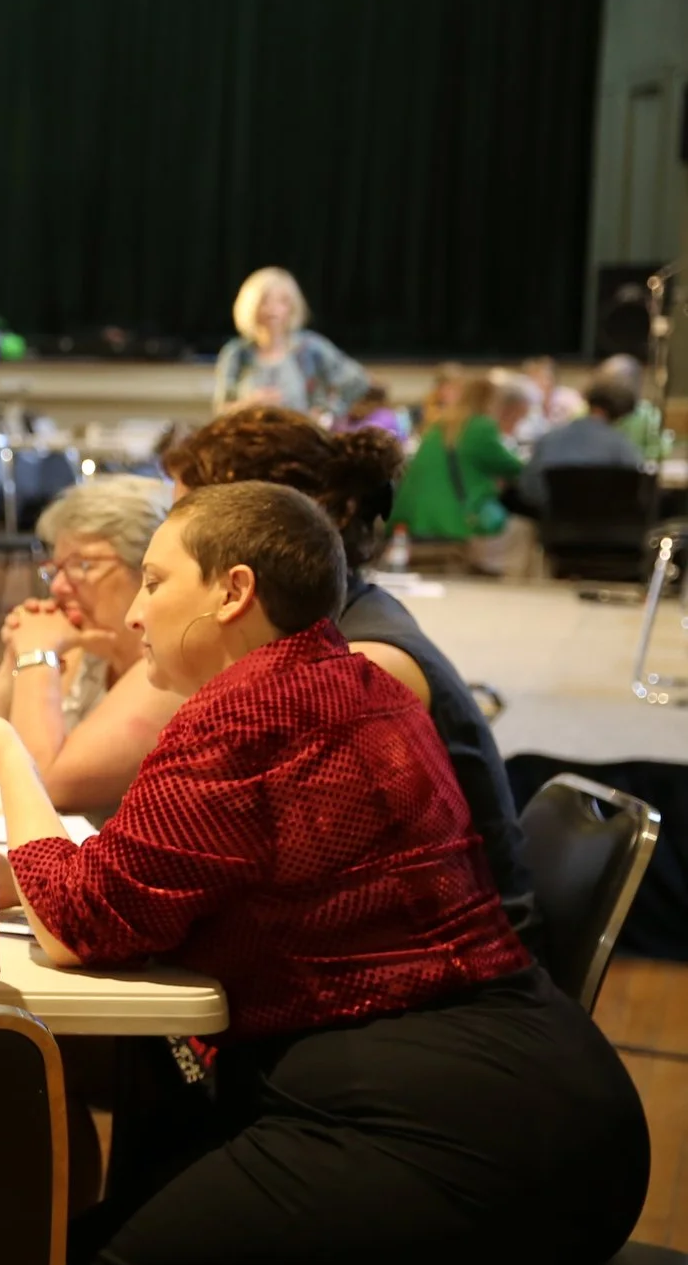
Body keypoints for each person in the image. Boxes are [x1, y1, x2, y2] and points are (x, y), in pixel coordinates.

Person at [0, 484, 647, 1265]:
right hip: (556, 1104)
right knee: (160, 1173)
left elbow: (83, 923)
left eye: (154, 582)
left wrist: (7, 754)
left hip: (465, 1147)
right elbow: (171, 882)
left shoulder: (247, 711)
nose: (135, 613)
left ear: (232, 591)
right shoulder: (349, 680)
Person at [158, 407, 540, 950]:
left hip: (454, 965)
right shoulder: (329, 626)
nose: (167, 545)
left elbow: (239, 852)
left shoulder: (365, 663)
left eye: (185, 526)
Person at [0, 477, 180, 817]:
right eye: (57, 569)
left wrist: (36, 655)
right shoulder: (85, 649)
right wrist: (12, 666)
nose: (59, 587)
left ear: (148, 571)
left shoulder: (171, 672)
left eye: (83, 565)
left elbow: (44, 784)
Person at [212, 266, 366, 416]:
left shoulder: (310, 348)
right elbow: (221, 411)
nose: (272, 310)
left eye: (282, 302)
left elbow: (356, 381)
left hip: (300, 431)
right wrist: (251, 403)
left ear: (292, 306)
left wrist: (327, 414)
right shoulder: (237, 353)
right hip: (252, 431)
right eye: (265, 301)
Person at [396, 370, 525, 545]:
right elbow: (515, 468)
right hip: (451, 521)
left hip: (411, 518)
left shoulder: (440, 425)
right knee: (523, 530)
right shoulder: (481, 428)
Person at [520, 376, 644, 507]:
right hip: (605, 517)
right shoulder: (621, 445)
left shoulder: (549, 439)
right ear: (621, 414)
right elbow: (638, 485)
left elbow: (528, 488)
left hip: (556, 517)